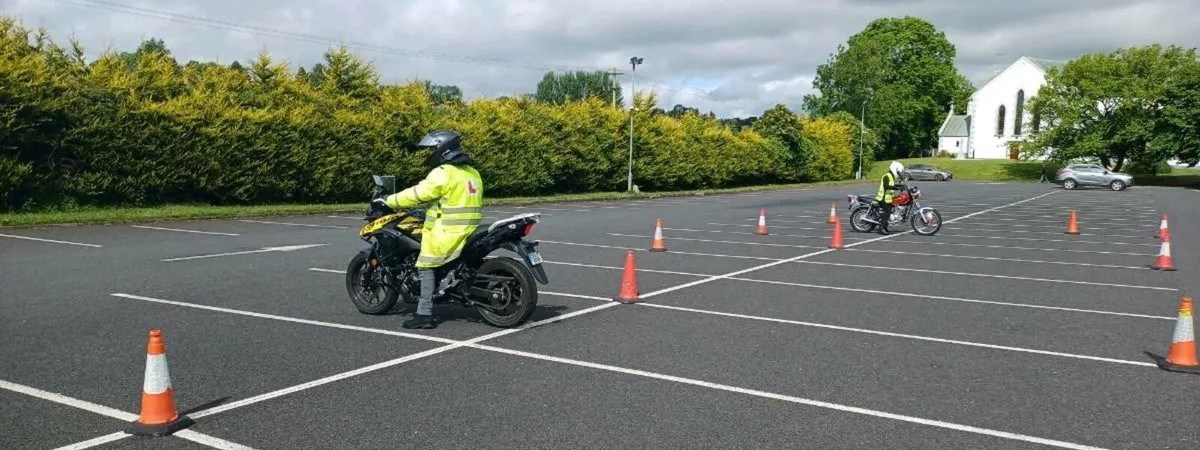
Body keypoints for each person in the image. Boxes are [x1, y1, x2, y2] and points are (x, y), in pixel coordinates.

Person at [374, 130, 484, 329]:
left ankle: (423, 314)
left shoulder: (443, 173)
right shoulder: (471, 172)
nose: (429, 153)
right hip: (469, 230)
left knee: (424, 265)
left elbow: (418, 193)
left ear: (442, 148)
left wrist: (389, 200)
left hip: (447, 233)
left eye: (432, 149)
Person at [871, 160, 905, 234]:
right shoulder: (887, 176)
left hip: (888, 199)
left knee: (892, 210)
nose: (899, 174)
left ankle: (886, 226)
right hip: (883, 198)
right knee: (887, 212)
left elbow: (893, 186)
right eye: (899, 172)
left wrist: (901, 186)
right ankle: (882, 228)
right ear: (895, 169)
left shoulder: (891, 177)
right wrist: (898, 188)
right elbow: (887, 186)